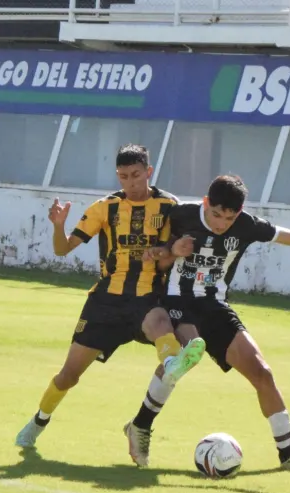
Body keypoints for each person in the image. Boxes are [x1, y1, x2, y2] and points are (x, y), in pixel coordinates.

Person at [122, 174, 290, 473]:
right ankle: (141, 425)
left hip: (215, 306)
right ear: (205, 203)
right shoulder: (181, 214)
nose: (221, 223)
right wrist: (170, 251)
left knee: (263, 373)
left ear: (239, 214)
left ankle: (288, 457)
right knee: (188, 353)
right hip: (178, 300)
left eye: (229, 218)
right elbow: (156, 255)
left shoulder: (248, 226)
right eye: (216, 215)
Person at [15, 144, 206, 448]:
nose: (130, 183)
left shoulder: (170, 205)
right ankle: (38, 420)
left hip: (148, 296)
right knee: (69, 376)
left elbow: (179, 250)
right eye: (123, 177)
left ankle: (172, 361)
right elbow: (62, 249)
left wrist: (168, 251)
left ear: (149, 172)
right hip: (106, 301)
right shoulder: (105, 207)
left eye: (135, 175)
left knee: (159, 322)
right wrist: (59, 226)